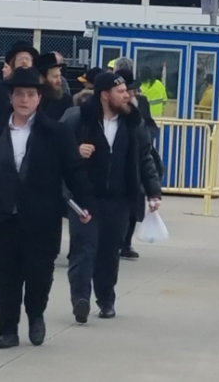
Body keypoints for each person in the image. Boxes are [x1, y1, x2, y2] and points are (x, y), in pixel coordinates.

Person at [0, 68, 92, 349]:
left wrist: (86, 202)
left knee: (39, 273)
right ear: (11, 97)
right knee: (5, 276)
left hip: (42, 216)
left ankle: (36, 316)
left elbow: (74, 171)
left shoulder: (56, 132)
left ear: (39, 99)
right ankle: (7, 330)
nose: (24, 100)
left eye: (31, 94)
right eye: (19, 94)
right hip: (2, 215)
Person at [61, 72, 162, 323]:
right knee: (83, 250)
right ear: (104, 95)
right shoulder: (78, 118)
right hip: (85, 197)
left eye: (127, 91)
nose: (127, 95)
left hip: (119, 199)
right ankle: (80, 300)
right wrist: (75, 152)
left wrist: (153, 192)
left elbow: (145, 159)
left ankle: (106, 300)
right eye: (120, 91)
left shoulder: (133, 123)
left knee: (108, 253)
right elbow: (56, 151)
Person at [114, 69, 162, 260]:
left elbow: (151, 125)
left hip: (136, 158)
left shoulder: (140, 103)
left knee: (134, 204)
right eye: (126, 90)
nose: (130, 95)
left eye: (132, 91)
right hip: (116, 161)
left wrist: (145, 136)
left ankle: (126, 243)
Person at [36, 53, 73, 121]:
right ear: (42, 78)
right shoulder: (32, 101)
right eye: (55, 77)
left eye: (59, 76)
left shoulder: (66, 101)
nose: (59, 80)